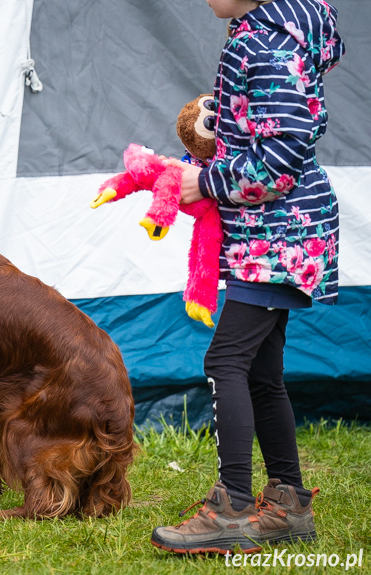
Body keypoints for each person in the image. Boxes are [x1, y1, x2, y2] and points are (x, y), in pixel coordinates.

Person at [150, 0, 344, 555]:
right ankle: (287, 504)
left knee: (225, 360)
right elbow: (270, 130)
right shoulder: (266, 34)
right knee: (261, 369)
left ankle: (231, 507)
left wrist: (204, 181)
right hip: (275, 231)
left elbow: (280, 160)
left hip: (279, 234)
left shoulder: (266, 45)